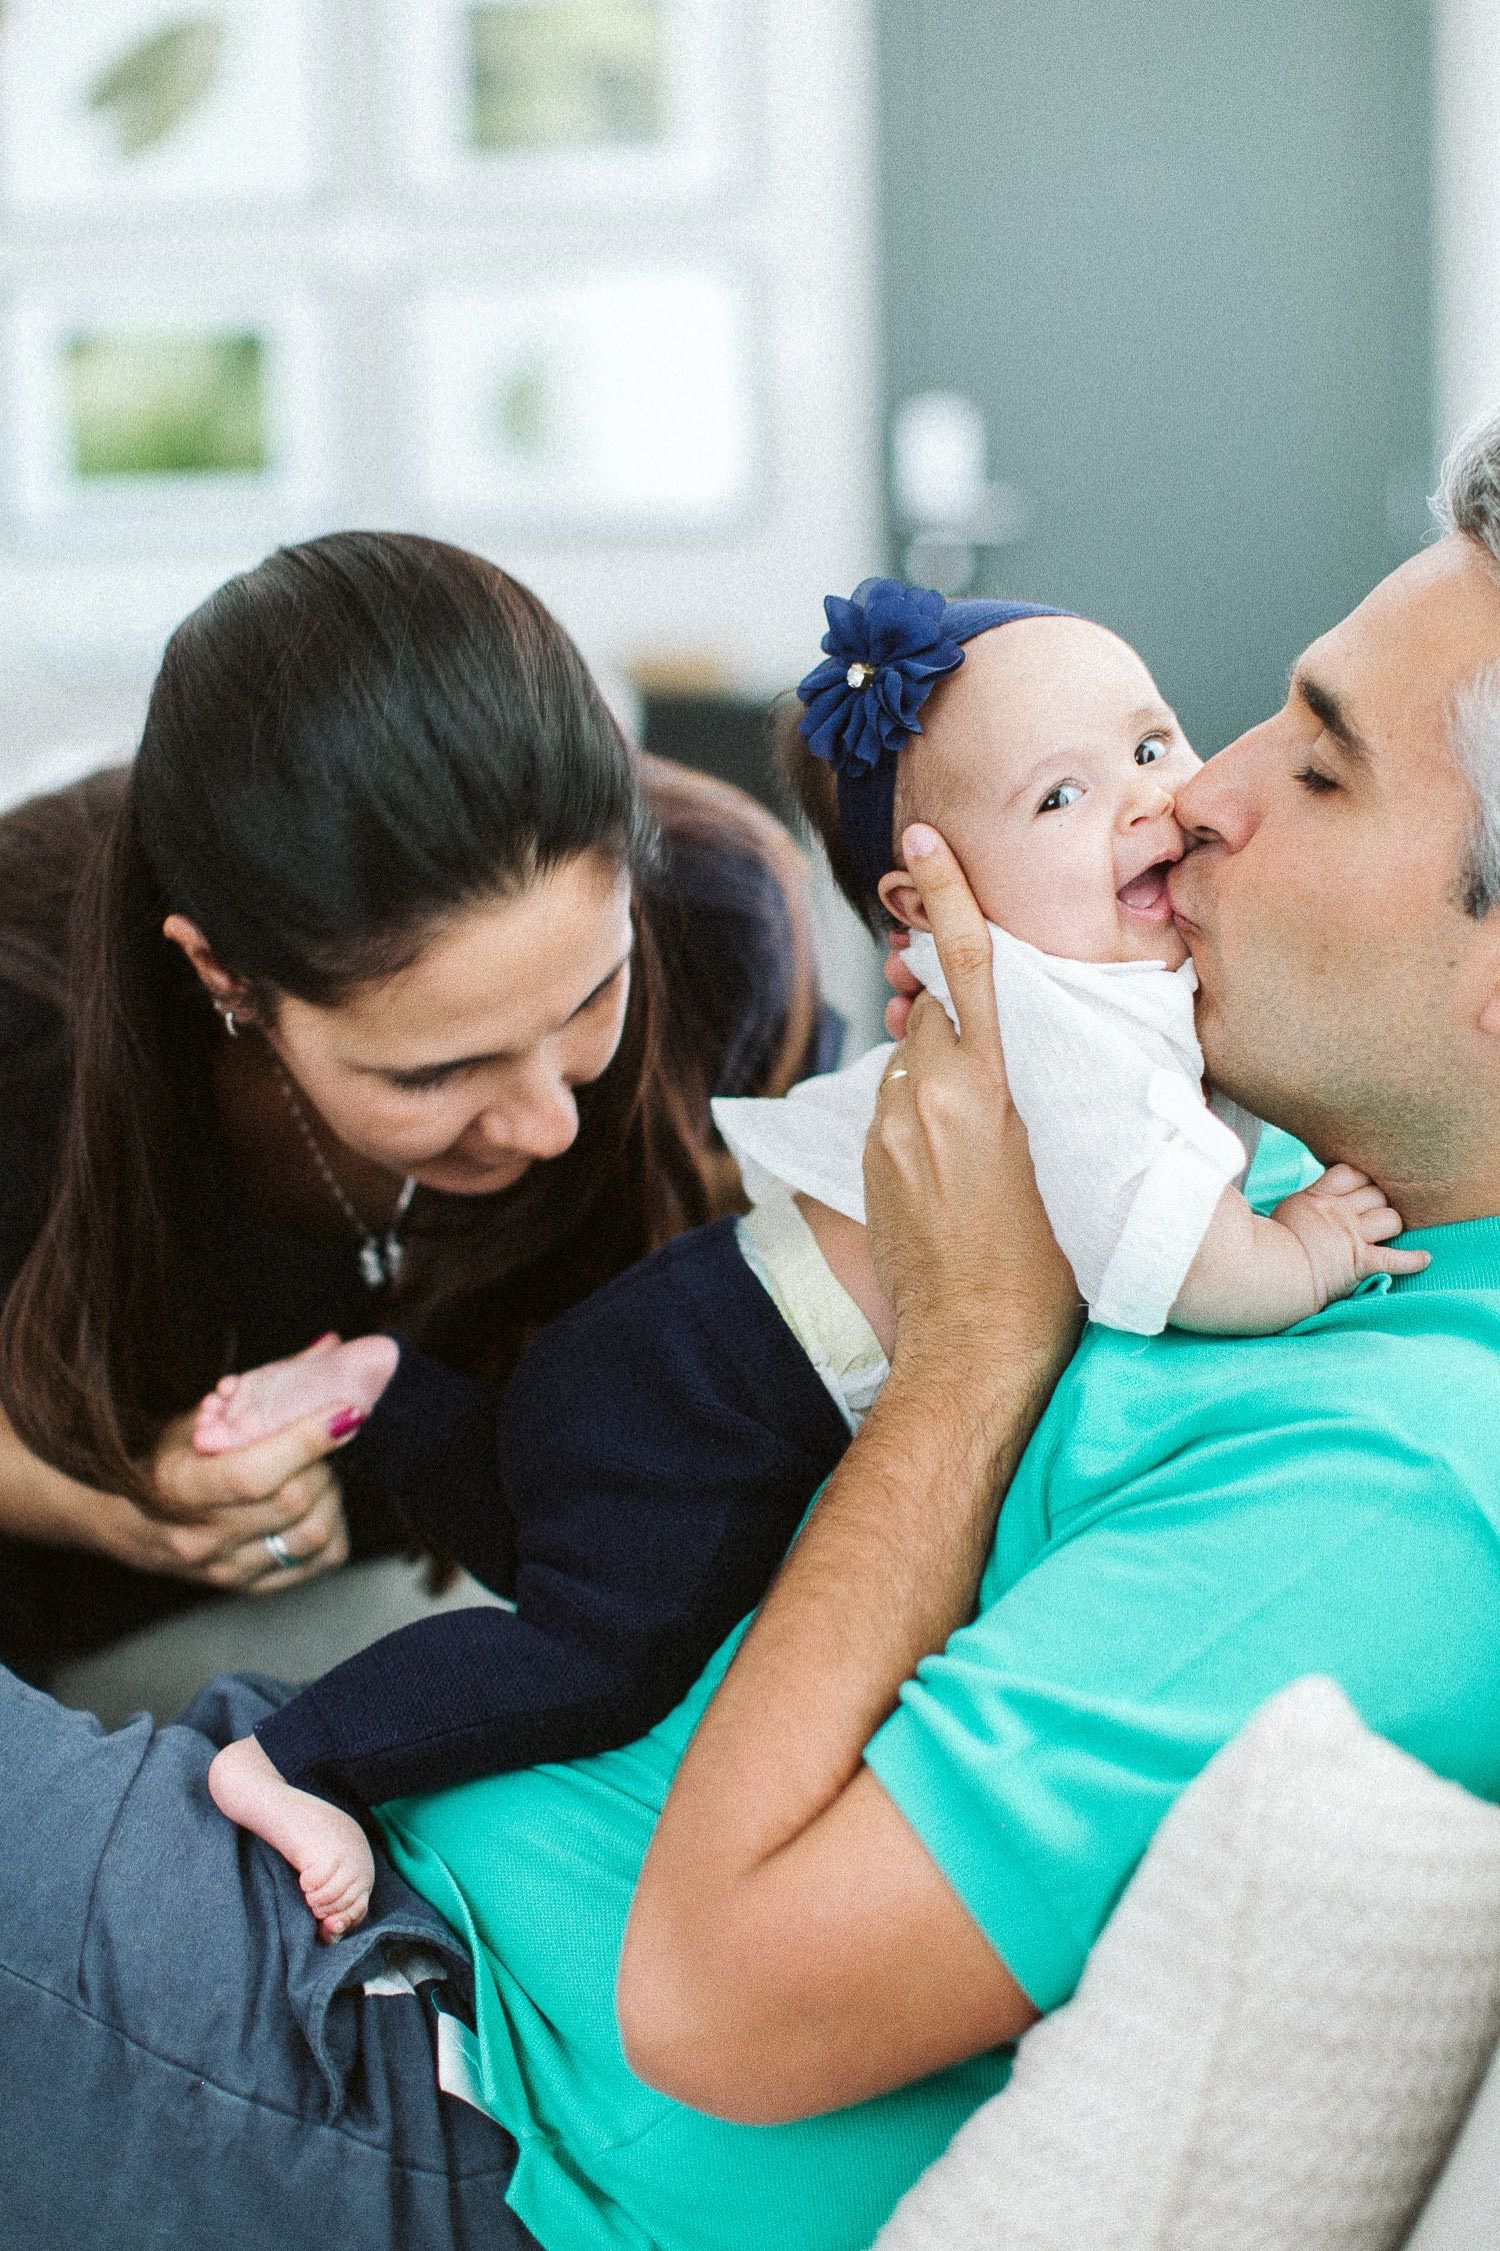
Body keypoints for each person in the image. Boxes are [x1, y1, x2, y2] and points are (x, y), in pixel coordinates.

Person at [3, 412, 1500, 2251]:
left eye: (1327, 769)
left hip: (424, 2073)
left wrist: (967, 1348)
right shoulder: (1293, 1182)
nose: (1204, 793)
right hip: (392, 1852)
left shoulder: (1406, 1495)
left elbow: (718, 2007)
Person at [195, 589, 1420, 1941]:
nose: (1145, 801)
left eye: (1151, 743)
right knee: (598, 1658)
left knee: (527, 1513)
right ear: (929, 897)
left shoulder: (1092, 980)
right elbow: (1171, 1260)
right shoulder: (1070, 1020)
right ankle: (299, 1755)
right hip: (734, 1390)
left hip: (687, 1322)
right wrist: (1299, 1249)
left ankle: (392, 1387)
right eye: (1061, 798)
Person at [0, 530, 836, 1691]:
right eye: (434, 1075)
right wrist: (118, 1501)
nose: (549, 1125)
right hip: (69, 1632)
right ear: (224, 979)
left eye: (594, 995)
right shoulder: (24, 1009)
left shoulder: (718, 920)